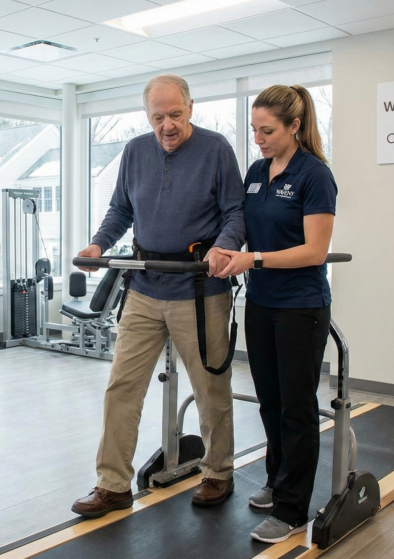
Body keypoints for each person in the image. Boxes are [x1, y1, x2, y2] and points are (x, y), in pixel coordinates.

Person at [71, 74, 246, 518]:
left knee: (210, 388)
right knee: (122, 387)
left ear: (191, 107)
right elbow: (121, 210)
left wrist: (224, 247)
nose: (167, 125)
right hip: (145, 287)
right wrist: (98, 245)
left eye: (175, 115)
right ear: (147, 115)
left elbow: (235, 212)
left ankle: (217, 472)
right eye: (157, 117)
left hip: (199, 289)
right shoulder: (134, 151)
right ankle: (112, 484)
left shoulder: (216, 149)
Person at [208, 84, 337, 543]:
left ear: (294, 126)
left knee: (297, 409)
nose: (258, 139)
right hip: (261, 303)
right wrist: (226, 250)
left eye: (267, 131)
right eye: (254, 131)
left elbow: (315, 250)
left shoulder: (314, 174)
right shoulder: (257, 172)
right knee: (270, 402)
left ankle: (292, 508)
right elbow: (243, 226)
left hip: (301, 307)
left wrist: (255, 259)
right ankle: (276, 479)